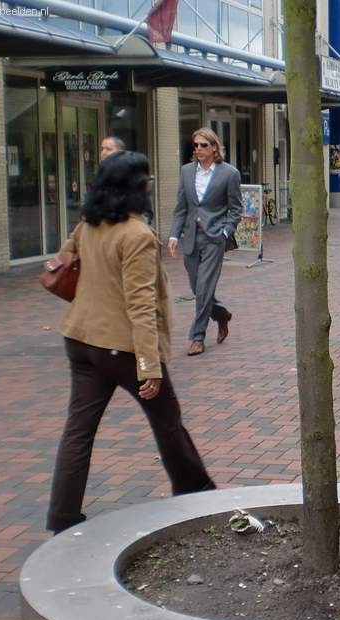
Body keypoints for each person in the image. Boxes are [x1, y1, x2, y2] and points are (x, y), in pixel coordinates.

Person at [46, 152, 214, 534]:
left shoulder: (89, 223)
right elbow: (140, 304)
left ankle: (62, 516)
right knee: (168, 422)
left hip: (80, 337)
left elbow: (65, 255)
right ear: (138, 187)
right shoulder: (137, 234)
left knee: (78, 430)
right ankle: (197, 493)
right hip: (120, 347)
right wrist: (149, 365)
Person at [168, 127, 242, 356]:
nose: (198, 149)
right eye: (196, 145)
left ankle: (197, 337)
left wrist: (225, 232)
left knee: (204, 287)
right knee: (196, 287)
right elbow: (181, 207)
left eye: (203, 145)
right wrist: (173, 235)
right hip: (191, 237)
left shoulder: (229, 174)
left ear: (214, 147)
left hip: (214, 238)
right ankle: (221, 314)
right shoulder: (186, 171)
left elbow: (236, 208)